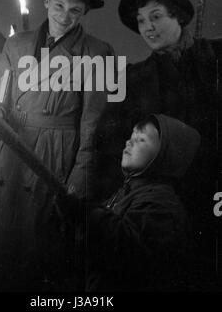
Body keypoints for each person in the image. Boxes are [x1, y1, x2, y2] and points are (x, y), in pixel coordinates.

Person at [0, 0, 115, 291]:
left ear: (84, 12)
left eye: (75, 10)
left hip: (51, 159)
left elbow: (92, 123)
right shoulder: (16, 44)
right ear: (47, 3)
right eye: (59, 6)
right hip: (8, 151)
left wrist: (79, 178)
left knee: (35, 253)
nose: (65, 16)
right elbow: (0, 97)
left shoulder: (98, 52)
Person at [94, 0, 222, 289]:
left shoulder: (215, 59)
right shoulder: (135, 79)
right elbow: (110, 145)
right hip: (162, 209)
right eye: (140, 20)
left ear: (178, 15)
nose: (147, 27)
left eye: (156, 16)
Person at [58, 114, 200, 291]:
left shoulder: (162, 205)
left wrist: (84, 213)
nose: (129, 142)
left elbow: (125, 247)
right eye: (131, 136)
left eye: (141, 139)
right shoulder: (129, 191)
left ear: (164, 155)